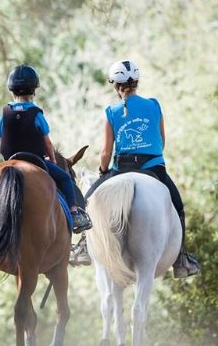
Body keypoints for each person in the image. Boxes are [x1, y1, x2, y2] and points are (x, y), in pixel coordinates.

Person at [85, 59, 199, 278]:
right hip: (154, 168)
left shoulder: (111, 111)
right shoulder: (154, 105)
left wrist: (102, 170)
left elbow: (106, 152)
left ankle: (83, 246)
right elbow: (162, 141)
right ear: (136, 83)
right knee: (178, 205)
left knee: (89, 202)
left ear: (115, 86)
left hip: (122, 169)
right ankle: (181, 259)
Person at [0, 64, 92, 233]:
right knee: (64, 178)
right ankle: (75, 213)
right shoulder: (36, 113)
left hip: (11, 161)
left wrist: (6, 159)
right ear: (33, 91)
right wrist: (53, 160)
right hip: (35, 161)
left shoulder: (5, 112)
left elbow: (0, 139)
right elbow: (47, 142)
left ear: (12, 91)